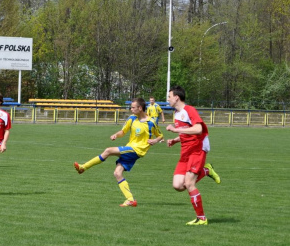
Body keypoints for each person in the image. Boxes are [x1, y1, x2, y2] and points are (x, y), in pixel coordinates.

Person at [74, 98, 164, 207]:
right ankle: (130, 199)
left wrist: (155, 140)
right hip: (130, 148)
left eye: (133, 107)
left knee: (108, 150)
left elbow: (160, 135)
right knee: (117, 173)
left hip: (137, 150)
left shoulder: (151, 122)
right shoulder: (132, 119)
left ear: (140, 108)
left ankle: (83, 167)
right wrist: (116, 135)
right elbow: (123, 132)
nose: (131, 109)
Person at [166, 86, 221, 226]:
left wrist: (175, 129)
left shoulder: (189, 110)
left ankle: (201, 218)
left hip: (198, 148)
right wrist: (176, 140)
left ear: (177, 97)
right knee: (178, 185)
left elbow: (198, 129)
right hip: (186, 150)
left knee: (189, 183)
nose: (168, 99)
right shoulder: (177, 114)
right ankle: (206, 170)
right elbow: (186, 131)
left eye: (169, 96)